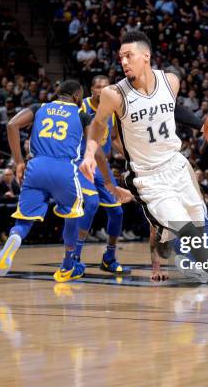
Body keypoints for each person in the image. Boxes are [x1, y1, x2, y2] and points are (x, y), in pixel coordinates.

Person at [79, 30, 208, 315]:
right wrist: (90, 153)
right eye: (120, 57)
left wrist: (203, 124)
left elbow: (172, 108)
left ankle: (165, 234)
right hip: (149, 178)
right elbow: (98, 125)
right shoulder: (114, 94)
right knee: (190, 235)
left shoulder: (171, 81)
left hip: (178, 167)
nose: (124, 62)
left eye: (129, 56)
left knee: (203, 236)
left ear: (146, 57)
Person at [0, 80, 104, 282]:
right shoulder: (82, 115)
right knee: (73, 214)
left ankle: (15, 237)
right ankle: (68, 264)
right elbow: (93, 140)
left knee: (24, 219)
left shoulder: (39, 108)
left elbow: (11, 125)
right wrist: (89, 158)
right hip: (64, 169)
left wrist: (18, 161)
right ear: (78, 98)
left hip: (35, 167)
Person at [74, 75, 129, 275]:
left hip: (102, 167)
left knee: (117, 212)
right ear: (91, 89)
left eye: (106, 87)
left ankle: (109, 258)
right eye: (98, 87)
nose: (102, 90)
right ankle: (74, 257)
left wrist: (130, 156)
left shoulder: (112, 110)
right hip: (83, 165)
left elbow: (114, 138)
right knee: (90, 204)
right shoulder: (82, 108)